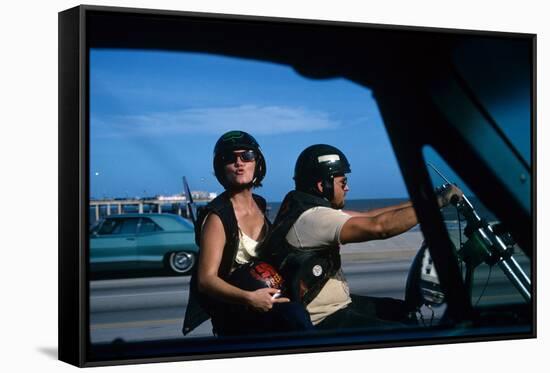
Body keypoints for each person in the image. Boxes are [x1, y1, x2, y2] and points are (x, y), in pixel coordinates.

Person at [258, 144, 463, 330]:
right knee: (405, 335)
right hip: (324, 318)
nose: (347, 188)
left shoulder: (305, 209)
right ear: (323, 186)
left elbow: (370, 215)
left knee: (402, 309)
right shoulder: (315, 219)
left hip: (338, 305)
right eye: (342, 182)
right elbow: (380, 227)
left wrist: (426, 198)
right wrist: (437, 203)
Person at [182, 130, 313, 336]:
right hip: (239, 314)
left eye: (247, 156)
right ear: (220, 168)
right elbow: (206, 280)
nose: (239, 163)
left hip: (270, 303)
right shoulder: (218, 217)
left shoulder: (259, 204)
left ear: (258, 163)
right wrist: (249, 298)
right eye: (229, 158)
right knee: (297, 318)